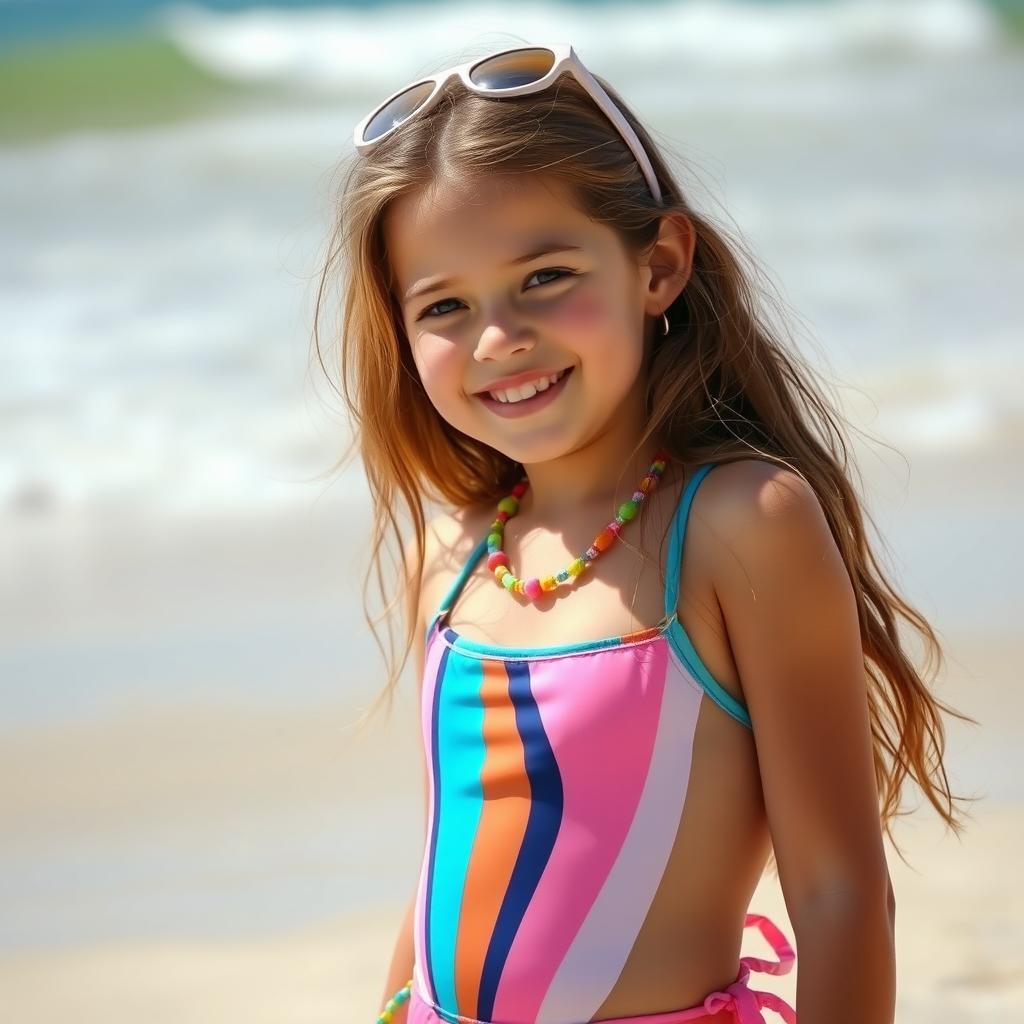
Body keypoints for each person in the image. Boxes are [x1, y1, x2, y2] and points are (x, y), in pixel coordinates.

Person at [317, 43, 974, 1024]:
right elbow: (441, 867)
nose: (499, 337)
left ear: (658, 264)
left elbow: (840, 895)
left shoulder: (738, 527)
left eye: (544, 276)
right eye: (446, 305)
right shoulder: (450, 559)